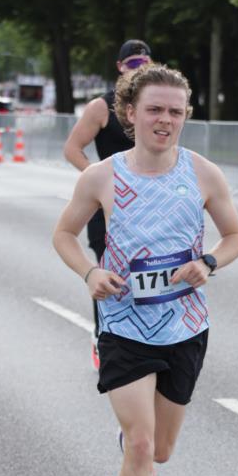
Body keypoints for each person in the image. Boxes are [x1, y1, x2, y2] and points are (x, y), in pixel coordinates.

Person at [54, 63, 238, 476]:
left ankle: (135, 441)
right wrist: (90, 273)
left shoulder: (204, 174)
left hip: (185, 324)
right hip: (122, 324)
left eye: (176, 112)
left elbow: (235, 236)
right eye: (155, 110)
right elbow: (64, 234)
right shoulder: (102, 176)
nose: (165, 120)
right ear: (130, 113)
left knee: (160, 450)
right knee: (140, 445)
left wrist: (209, 261)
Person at [63, 40, 152, 370]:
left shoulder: (151, 106)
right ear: (120, 67)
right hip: (108, 209)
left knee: (146, 274)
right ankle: (104, 337)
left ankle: (144, 339)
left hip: (147, 208)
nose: (137, 68)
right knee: (110, 277)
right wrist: (100, 182)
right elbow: (72, 148)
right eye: (131, 63)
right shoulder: (102, 106)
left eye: (143, 62)